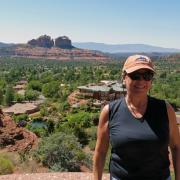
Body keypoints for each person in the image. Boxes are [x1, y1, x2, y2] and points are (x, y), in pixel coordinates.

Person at [93, 54, 180, 180]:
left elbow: (176, 147)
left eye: (147, 76)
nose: (141, 81)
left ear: (151, 80)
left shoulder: (165, 109)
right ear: (124, 77)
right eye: (135, 76)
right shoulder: (110, 111)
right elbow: (100, 152)